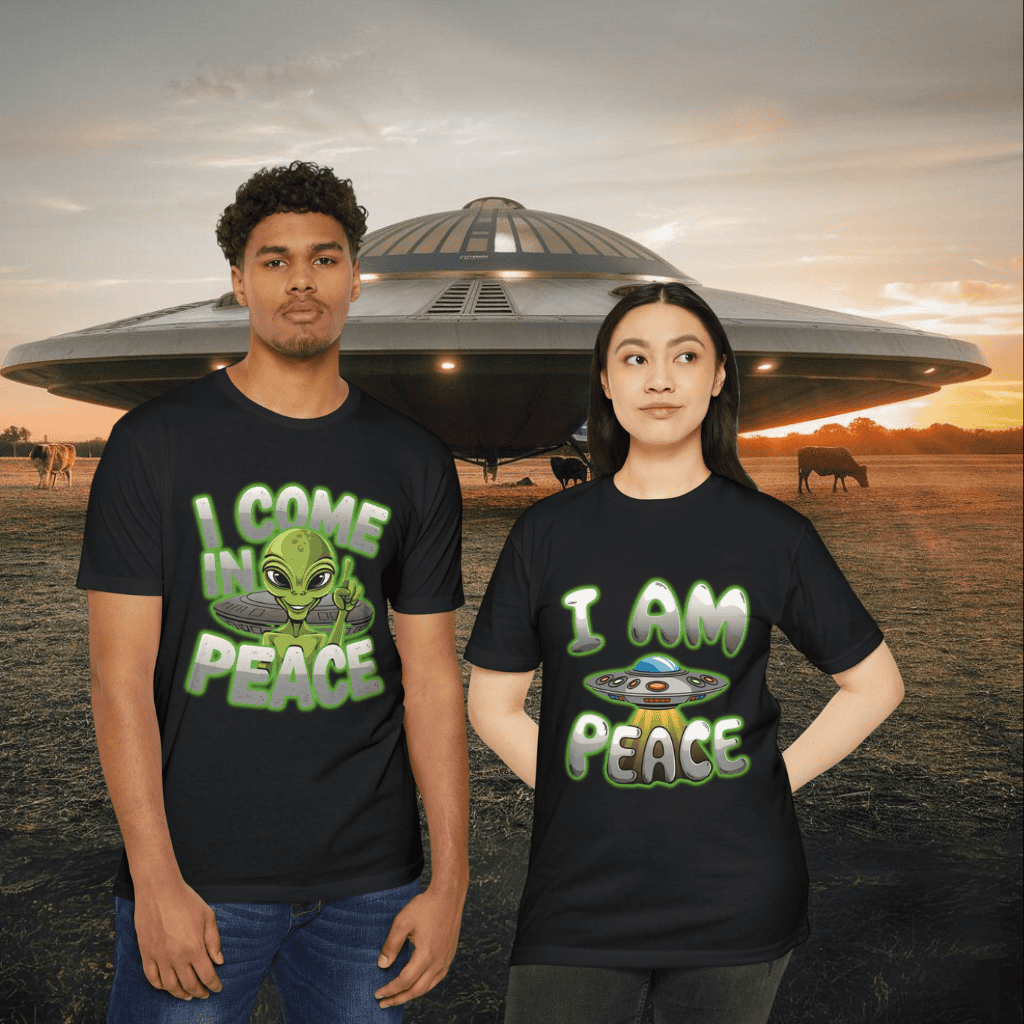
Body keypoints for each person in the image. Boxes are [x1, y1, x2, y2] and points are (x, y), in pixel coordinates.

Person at [79, 161, 469, 1021]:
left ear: (356, 279)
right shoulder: (154, 444)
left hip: (372, 885)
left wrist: (449, 881)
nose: (302, 280)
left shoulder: (411, 459)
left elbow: (433, 677)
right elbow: (119, 677)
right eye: (275, 259)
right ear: (238, 283)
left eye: (326, 259)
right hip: (200, 879)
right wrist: (156, 879)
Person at [465, 282, 904, 1024]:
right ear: (606, 381)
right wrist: (581, 793)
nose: (660, 379)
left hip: (738, 895)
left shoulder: (773, 535)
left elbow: (875, 685)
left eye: (686, 356)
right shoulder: (546, 534)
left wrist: (768, 782)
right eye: (635, 357)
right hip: (579, 894)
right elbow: (492, 703)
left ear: (718, 375)